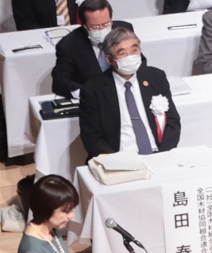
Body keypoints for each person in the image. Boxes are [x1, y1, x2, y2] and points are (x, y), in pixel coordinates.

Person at [78, 29, 182, 158]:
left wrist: (162, 156)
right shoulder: (93, 89)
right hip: (119, 157)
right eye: (122, 53)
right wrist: (117, 161)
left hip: (158, 153)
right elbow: (91, 137)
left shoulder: (155, 77)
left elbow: (172, 122)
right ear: (109, 59)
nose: (130, 57)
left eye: (134, 50)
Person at [49, 1, 125, 99]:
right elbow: (59, 82)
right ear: (84, 25)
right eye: (95, 26)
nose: (101, 29)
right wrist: (85, 93)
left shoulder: (124, 31)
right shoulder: (69, 45)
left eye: (106, 24)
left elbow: (140, 62)